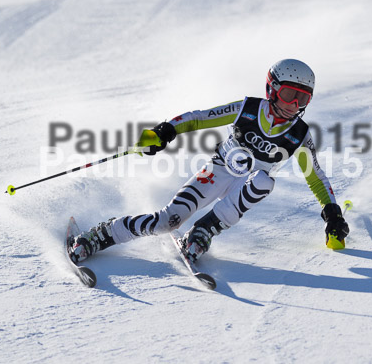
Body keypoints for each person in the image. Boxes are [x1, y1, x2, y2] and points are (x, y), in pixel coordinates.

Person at [68, 59, 350, 264]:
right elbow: (201, 117)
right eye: (289, 94)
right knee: (167, 222)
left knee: (264, 181)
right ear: (273, 89)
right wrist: (165, 131)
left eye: (302, 98)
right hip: (218, 171)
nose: (293, 104)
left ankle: (204, 230)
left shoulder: (299, 135)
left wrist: (333, 214)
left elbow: (316, 177)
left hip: (248, 186)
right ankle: (99, 236)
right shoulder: (247, 109)